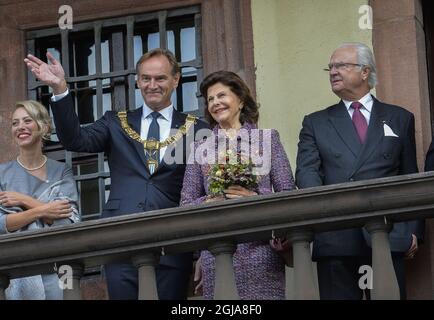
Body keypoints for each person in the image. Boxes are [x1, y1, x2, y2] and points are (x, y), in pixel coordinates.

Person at [24, 48, 209, 300]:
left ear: (176, 80)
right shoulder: (115, 122)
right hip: (121, 241)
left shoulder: (198, 129)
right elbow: (75, 140)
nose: (152, 85)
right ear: (137, 80)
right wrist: (59, 88)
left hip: (174, 243)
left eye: (160, 78)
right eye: (145, 78)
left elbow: (206, 190)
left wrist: (204, 251)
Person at [295, 42, 424, 300]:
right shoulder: (315, 122)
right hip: (336, 237)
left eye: (341, 65)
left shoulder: (400, 117)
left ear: (365, 72)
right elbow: (307, 177)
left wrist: (413, 231)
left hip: (388, 235)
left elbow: (410, 177)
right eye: (330, 67)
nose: (333, 71)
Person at [180, 70, 294, 299]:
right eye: (210, 99)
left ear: (240, 100)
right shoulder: (200, 148)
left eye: (222, 95)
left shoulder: (268, 139)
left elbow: (288, 195)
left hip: (261, 253)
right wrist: (214, 199)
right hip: (217, 255)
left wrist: (253, 199)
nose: (215, 103)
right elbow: (186, 204)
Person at [0, 100, 80, 300]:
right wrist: (44, 211)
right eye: (15, 123)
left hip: (61, 268)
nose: (20, 127)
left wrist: (23, 200)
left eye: (27, 120)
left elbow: (68, 221)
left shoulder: (62, 172)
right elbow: (1, 225)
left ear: (43, 126)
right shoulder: (2, 174)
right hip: (18, 271)